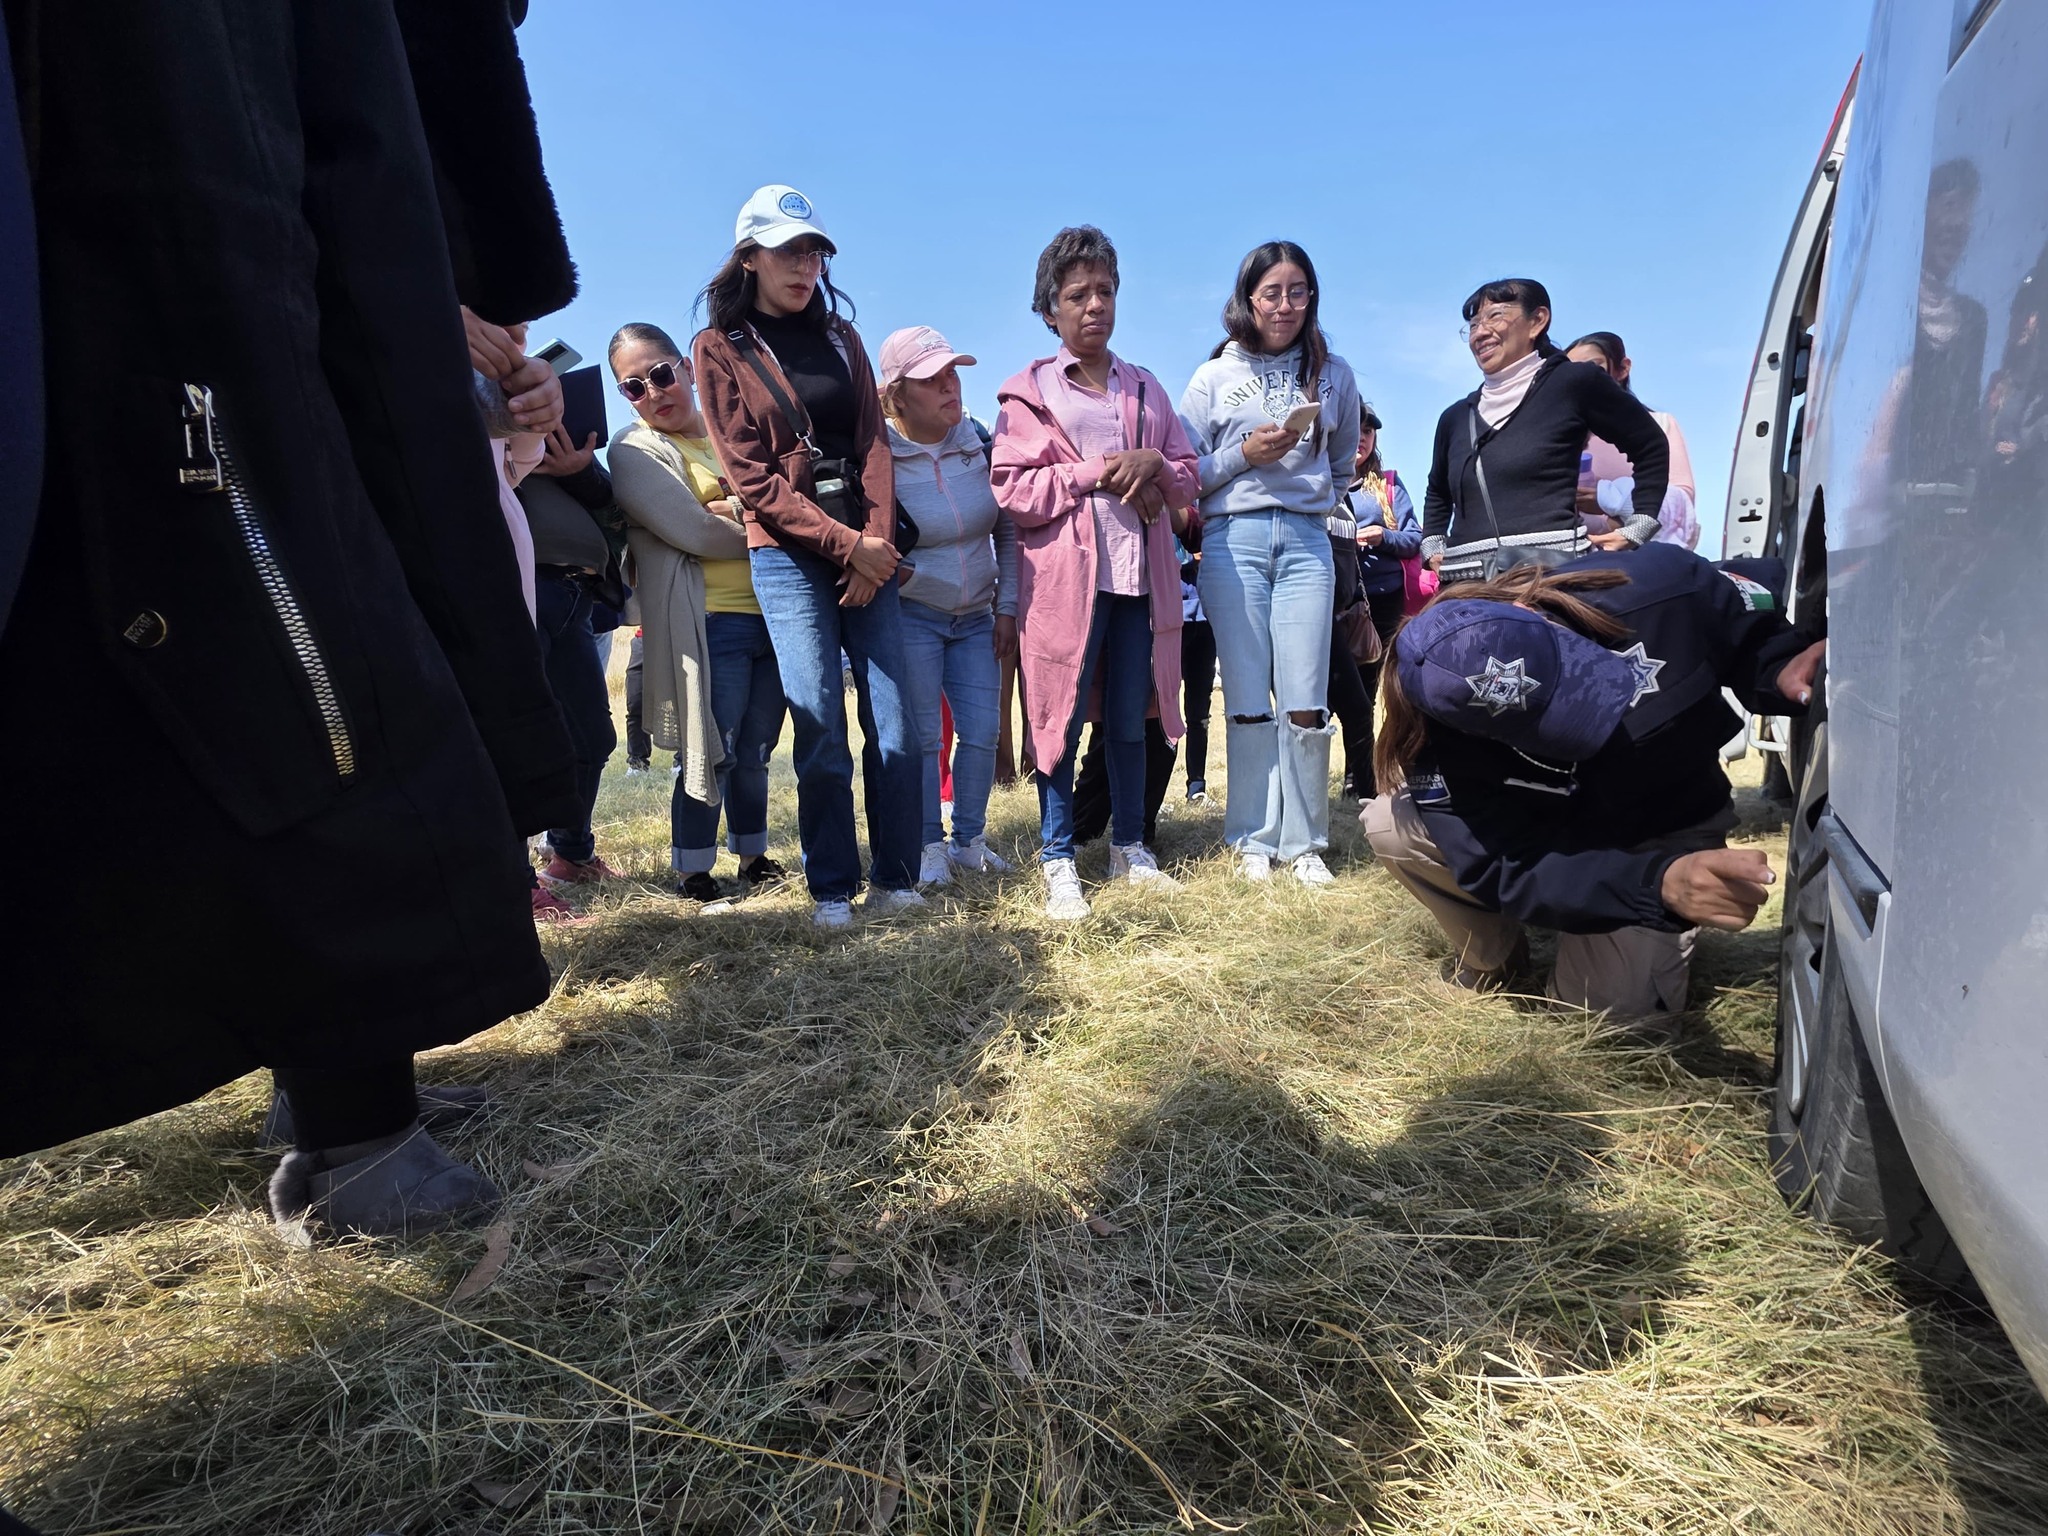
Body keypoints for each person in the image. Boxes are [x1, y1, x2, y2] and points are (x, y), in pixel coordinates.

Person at [0, 0, 581, 1240]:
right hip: (145, 177)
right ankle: (346, 1109)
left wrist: (457, 277)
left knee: (324, 599)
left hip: (263, 171)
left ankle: (346, 1085)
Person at [1362, 545, 1825, 1030]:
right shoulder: (1432, 741)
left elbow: (1752, 628)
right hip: (1563, 844)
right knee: (1388, 823)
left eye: (1563, 673)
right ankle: (1493, 959)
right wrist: (1656, 888)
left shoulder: (1657, 584)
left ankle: (1626, 932)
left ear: (1521, 609)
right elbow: (1500, 866)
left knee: (1608, 1019)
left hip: (1660, 831)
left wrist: (1776, 671)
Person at [691, 186, 924, 928]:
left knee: (895, 723)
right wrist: (846, 544)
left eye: (815, 251)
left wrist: (874, 546)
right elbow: (749, 477)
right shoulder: (717, 348)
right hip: (789, 557)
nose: (805, 265)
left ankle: (898, 876)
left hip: (868, 551)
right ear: (749, 257)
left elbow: (874, 444)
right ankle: (832, 887)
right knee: (819, 721)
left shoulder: (842, 339)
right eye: (789, 250)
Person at [991, 225, 1201, 920]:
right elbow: (1014, 491)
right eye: (1077, 294)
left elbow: (1188, 477)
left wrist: (1156, 467)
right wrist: (1097, 473)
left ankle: (1129, 845)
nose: (1094, 306)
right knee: (1062, 717)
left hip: (1140, 585)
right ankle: (1057, 856)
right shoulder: (1027, 395)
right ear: (1049, 309)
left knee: (1130, 722)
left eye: (1105, 291)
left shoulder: (1144, 389)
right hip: (1064, 590)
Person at [1178, 241, 1361, 886]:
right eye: (1272, 292)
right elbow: (1184, 474)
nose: (1285, 305)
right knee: (1249, 696)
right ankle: (1253, 835)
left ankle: (1304, 840)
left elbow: (1342, 465)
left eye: (1299, 291)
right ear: (1247, 299)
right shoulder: (1212, 378)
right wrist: (1243, 458)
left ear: (1312, 298)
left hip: (1309, 542)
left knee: (1307, 697)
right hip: (1233, 542)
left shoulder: (1334, 373)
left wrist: (1309, 499)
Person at [608, 323, 789, 902]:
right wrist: (767, 524)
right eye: (633, 387)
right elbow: (693, 531)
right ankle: (692, 870)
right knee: (710, 749)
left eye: (661, 374)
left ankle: (753, 856)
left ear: (686, 367)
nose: (653, 392)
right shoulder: (633, 450)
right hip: (710, 620)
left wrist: (729, 508)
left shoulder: (731, 432)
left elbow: (779, 495)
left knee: (757, 749)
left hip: (774, 615)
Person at [878, 325, 1017, 883]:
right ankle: (927, 845)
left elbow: (1005, 528)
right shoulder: (879, 457)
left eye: (951, 373)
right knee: (924, 736)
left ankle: (968, 840)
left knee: (983, 731)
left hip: (977, 616)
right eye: (930, 379)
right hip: (913, 615)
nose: (948, 387)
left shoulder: (978, 439)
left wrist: (1007, 606)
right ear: (897, 395)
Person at [1423, 278, 1671, 584]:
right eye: (1473, 325)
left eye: (1494, 316)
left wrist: (1638, 526)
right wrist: (1432, 544)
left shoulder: (1574, 383)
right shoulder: (1455, 417)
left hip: (1551, 582)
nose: (1480, 332)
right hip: (1463, 590)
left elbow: (1650, 445)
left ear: (1537, 321)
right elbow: (1437, 489)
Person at [519, 422, 627, 895]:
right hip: (520, 587)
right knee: (515, 734)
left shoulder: (557, 442)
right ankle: (514, 883)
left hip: (577, 595)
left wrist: (578, 469)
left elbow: (613, 506)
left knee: (592, 736)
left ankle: (572, 853)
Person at [1340, 403, 1422, 797]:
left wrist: (1381, 536)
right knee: (1346, 693)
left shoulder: (1387, 484)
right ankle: (1355, 771)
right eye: (1354, 430)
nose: (1361, 438)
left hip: (1385, 602)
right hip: (1340, 601)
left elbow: (1414, 539)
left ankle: (1366, 773)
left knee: (1375, 692)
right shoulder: (1325, 481)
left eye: (1368, 432)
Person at [1565, 331, 1700, 550]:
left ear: (1623, 368)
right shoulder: (1560, 435)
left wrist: (1610, 511)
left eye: (1595, 368)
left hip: (1642, 555)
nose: (1584, 380)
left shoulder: (1659, 425)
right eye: (1571, 373)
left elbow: (1681, 501)